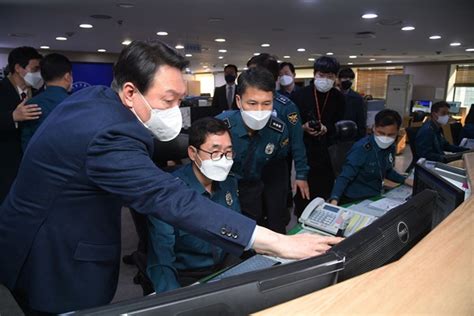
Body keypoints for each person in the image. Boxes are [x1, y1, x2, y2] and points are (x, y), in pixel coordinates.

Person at [0, 40, 341, 314]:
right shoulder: (109, 135)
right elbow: (167, 197)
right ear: (131, 92)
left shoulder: (97, 98)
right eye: (169, 99)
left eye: (180, 98)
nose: (176, 109)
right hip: (53, 258)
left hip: (33, 227)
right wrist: (278, 241)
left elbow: (146, 142)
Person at [147, 117, 241, 293]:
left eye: (228, 152)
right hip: (187, 278)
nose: (223, 159)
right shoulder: (168, 193)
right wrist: (173, 303)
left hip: (224, 270)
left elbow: (236, 233)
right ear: (192, 153)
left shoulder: (229, 183)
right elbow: (161, 260)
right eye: (215, 152)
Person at [216, 67, 289, 224]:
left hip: (253, 192)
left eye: (266, 103)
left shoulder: (278, 131)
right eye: (252, 103)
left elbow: (276, 173)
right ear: (238, 101)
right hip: (221, 189)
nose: (259, 110)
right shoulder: (220, 126)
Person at [247, 54, 309, 233]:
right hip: (249, 167)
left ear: (273, 77)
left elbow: (297, 142)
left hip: (275, 169)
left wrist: (301, 175)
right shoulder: (244, 103)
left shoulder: (285, 106)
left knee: (276, 216)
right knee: (251, 216)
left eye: (256, 73)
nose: (251, 77)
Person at [291, 56, 346, 216]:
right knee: (304, 191)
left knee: (324, 190)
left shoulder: (339, 97)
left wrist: (326, 128)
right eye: (322, 75)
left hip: (328, 151)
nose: (325, 80)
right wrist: (303, 127)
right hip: (305, 150)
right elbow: (292, 124)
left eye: (330, 76)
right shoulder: (300, 95)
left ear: (335, 78)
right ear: (314, 74)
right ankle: (302, 216)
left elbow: (340, 124)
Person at [329, 109, 413, 205]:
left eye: (390, 135)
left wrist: (405, 180)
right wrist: (334, 200)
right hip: (355, 199)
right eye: (381, 133)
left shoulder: (391, 147)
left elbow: (387, 170)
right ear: (373, 128)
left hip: (375, 196)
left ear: (398, 132)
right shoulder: (361, 149)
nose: (385, 138)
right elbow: (344, 177)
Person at [0, 46, 43, 203]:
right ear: (18, 68)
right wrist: (12, 117)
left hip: (31, 166)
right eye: (35, 69)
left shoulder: (38, 93)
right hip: (6, 167)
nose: (39, 74)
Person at [20, 53, 73, 151]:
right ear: (67, 76)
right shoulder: (76, 103)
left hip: (36, 161)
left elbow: (26, 142)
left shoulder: (30, 104)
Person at [337, 67, 367, 140]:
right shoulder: (332, 95)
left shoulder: (357, 98)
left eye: (350, 78)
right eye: (345, 78)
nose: (348, 80)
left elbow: (361, 120)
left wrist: (361, 138)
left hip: (352, 135)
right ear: (339, 79)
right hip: (334, 134)